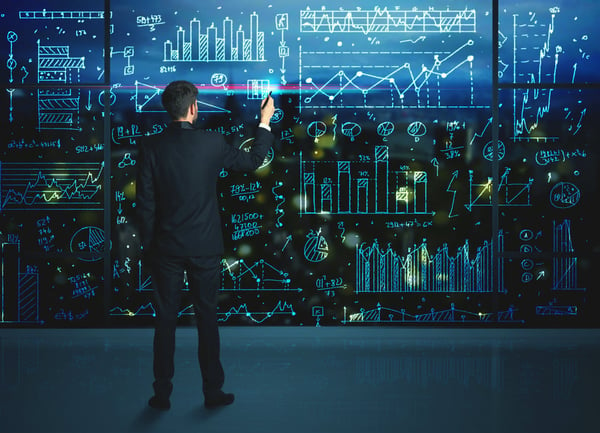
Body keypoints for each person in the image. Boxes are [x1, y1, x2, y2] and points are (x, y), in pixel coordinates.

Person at [136, 80, 275, 410]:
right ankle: (212, 392)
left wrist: (149, 247)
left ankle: (161, 393)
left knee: (165, 320)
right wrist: (264, 120)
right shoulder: (212, 143)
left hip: (165, 248)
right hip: (204, 247)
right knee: (207, 318)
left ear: (170, 109)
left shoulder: (150, 146)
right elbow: (255, 159)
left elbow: (145, 204)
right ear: (194, 108)